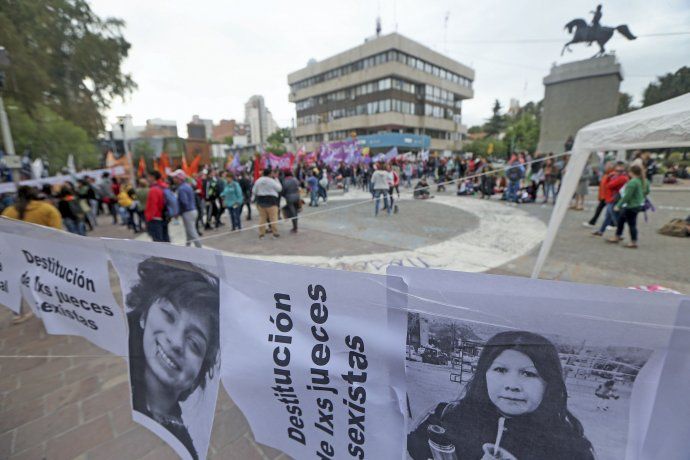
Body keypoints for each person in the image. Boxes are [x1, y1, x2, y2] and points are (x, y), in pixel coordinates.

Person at [407, 331, 594, 460]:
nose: (512, 385)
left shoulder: (570, 448)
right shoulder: (444, 419)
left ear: (549, 382)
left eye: (528, 373)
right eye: (500, 369)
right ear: (484, 374)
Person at [126, 257, 220, 460]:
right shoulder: (120, 400)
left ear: (199, 372)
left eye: (194, 343)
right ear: (143, 316)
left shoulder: (186, 449)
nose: (176, 342)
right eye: (168, 315)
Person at [2, 186, 63, 324]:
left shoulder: (8, 212)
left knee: (22, 282)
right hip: (45, 254)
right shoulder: (47, 209)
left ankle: (18, 312)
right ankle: (51, 308)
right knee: (47, 281)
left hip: (18, 254)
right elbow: (58, 233)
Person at [607, 164, 649, 248]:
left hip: (631, 206)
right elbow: (647, 191)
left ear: (631, 172)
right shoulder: (643, 181)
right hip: (637, 204)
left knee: (631, 224)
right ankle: (618, 236)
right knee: (621, 220)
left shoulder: (633, 182)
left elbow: (627, 196)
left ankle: (633, 241)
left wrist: (618, 205)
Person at [592, 162, 628, 236]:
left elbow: (609, 185)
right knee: (608, 217)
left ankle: (619, 234)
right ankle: (601, 231)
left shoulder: (622, 178)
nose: (617, 172)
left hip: (613, 199)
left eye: (620, 171)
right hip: (610, 198)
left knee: (615, 218)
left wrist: (609, 177)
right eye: (616, 170)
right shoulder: (617, 177)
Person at [172, 170, 202, 247]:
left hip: (187, 212)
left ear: (179, 178)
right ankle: (187, 246)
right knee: (189, 231)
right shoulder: (187, 186)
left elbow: (184, 202)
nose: (173, 179)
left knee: (191, 232)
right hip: (192, 211)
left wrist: (178, 212)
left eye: (175, 177)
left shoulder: (181, 188)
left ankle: (200, 248)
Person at [252, 168, 282, 238]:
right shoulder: (272, 181)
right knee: (273, 218)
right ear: (270, 173)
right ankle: (275, 232)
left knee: (262, 218)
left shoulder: (258, 180)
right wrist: (276, 179)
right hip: (271, 200)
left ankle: (261, 233)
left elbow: (254, 191)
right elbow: (279, 188)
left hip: (261, 200)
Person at [584, 161, 613, 228]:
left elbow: (608, 186)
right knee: (601, 210)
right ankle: (593, 222)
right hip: (604, 196)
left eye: (607, 166)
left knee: (609, 211)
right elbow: (602, 186)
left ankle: (612, 224)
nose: (605, 167)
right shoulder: (606, 175)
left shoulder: (611, 175)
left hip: (608, 196)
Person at [144, 171, 171, 243]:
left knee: (158, 241)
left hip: (155, 218)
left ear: (152, 177)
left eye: (148, 177)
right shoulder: (163, 186)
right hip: (164, 216)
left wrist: (148, 219)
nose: (147, 179)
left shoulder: (154, 190)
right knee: (165, 239)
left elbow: (153, 206)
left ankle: (161, 254)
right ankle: (168, 253)